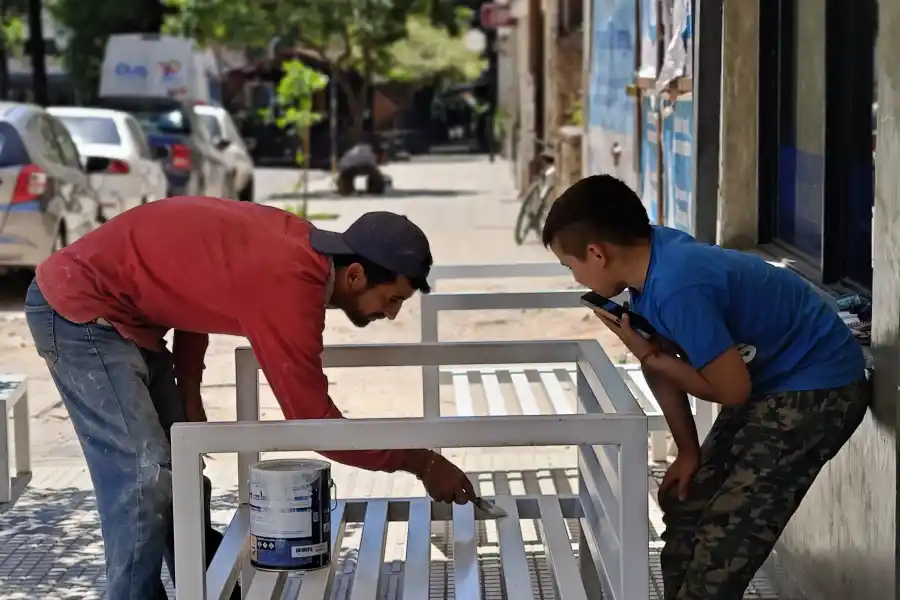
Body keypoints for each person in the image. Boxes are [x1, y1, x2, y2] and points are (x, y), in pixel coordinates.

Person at [24, 197, 475, 600]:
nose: (391, 314)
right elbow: (317, 426)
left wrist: (191, 391)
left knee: (180, 472)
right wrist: (423, 463)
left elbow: (195, 285)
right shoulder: (290, 283)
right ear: (355, 274)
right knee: (144, 478)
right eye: (392, 299)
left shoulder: (302, 247)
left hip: (129, 316)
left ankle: (207, 582)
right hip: (79, 308)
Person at [541, 175, 870, 600]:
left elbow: (730, 390)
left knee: (722, 548)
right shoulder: (648, 265)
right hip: (771, 384)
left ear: (597, 253)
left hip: (818, 390)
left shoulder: (679, 286)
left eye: (571, 267)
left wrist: (651, 355)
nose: (576, 279)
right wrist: (688, 451)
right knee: (685, 506)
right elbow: (669, 369)